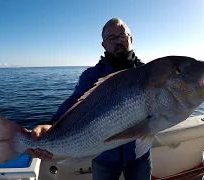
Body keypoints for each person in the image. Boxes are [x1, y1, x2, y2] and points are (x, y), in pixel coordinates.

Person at [25, 17, 152, 180]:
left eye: (122, 35)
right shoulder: (91, 76)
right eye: (111, 38)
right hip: (103, 157)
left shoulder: (148, 74)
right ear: (103, 45)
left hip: (139, 156)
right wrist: (51, 125)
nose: (118, 41)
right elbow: (74, 103)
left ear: (131, 39)